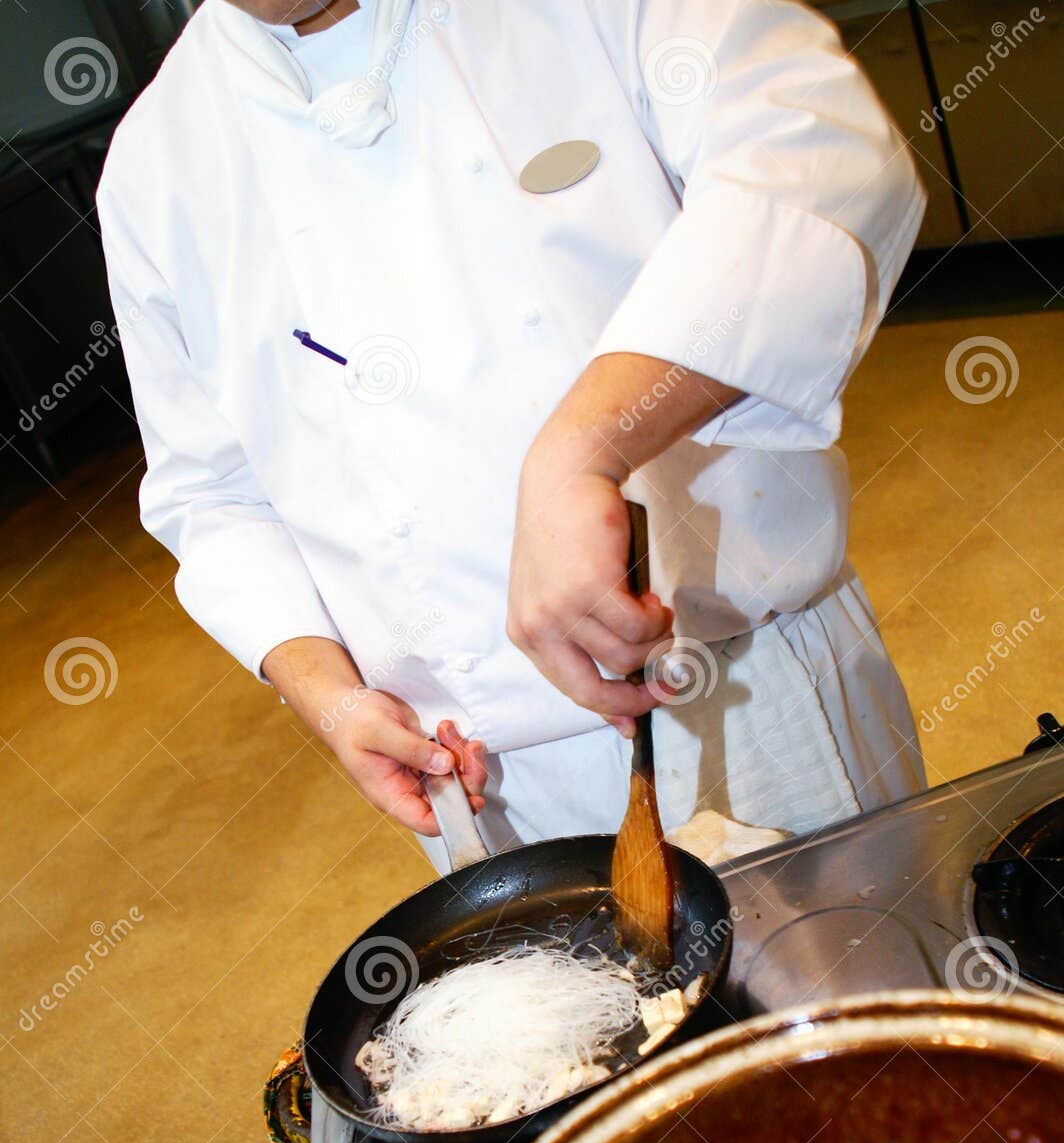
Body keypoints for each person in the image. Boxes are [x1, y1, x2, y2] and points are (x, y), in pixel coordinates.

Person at [98, 0, 927, 874]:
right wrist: (328, 696)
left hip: (746, 695)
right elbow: (211, 493)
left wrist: (586, 448)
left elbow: (821, 160)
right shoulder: (158, 163)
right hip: (477, 779)